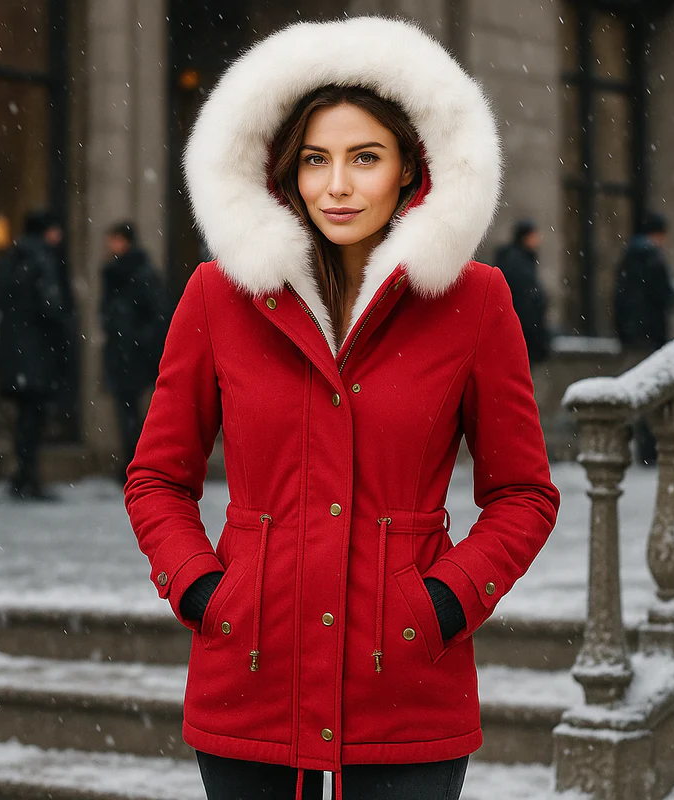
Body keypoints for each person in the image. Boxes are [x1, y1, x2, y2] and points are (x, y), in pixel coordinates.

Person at [125, 17, 560, 800]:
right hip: (251, 674)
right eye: (316, 160)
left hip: (406, 680)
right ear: (285, 171)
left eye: (365, 158)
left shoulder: (474, 302)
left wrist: (443, 601)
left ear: (408, 170)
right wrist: (202, 589)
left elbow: (523, 494)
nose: (336, 185)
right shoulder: (218, 296)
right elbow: (157, 476)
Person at [0, 210, 65, 500]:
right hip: (36, 352)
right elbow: (51, 306)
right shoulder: (42, 259)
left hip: (16, 352)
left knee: (24, 417)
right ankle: (28, 479)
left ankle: (21, 476)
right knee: (34, 418)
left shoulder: (13, 257)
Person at [100, 221, 169, 484]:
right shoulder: (115, 271)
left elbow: (158, 313)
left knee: (136, 413)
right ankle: (134, 464)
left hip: (135, 353)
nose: (111, 245)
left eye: (115, 239)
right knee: (127, 411)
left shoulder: (140, 273)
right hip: (123, 351)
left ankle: (138, 465)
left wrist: (137, 340)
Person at [614, 211, 674, 465]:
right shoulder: (654, 260)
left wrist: (624, 331)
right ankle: (647, 451)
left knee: (628, 394)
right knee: (651, 396)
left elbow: (619, 299)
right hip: (651, 337)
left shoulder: (628, 259)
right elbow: (665, 297)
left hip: (631, 338)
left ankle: (621, 446)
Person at [494, 218, 550, 366]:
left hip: (522, 332)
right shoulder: (517, 262)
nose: (538, 239)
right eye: (534, 235)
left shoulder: (522, 260)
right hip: (520, 333)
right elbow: (525, 300)